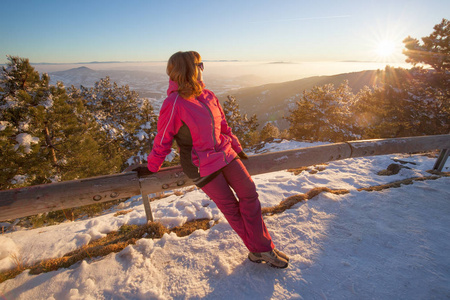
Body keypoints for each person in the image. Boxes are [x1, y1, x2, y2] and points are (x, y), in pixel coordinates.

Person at [141, 51, 289, 268]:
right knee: (231, 206)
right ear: (190, 69)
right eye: (200, 64)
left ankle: (260, 249)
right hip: (200, 164)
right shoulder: (174, 103)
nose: (203, 68)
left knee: (249, 192)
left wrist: (237, 149)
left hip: (225, 154)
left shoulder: (208, 95)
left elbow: (224, 127)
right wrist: (152, 166)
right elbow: (163, 138)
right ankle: (262, 249)